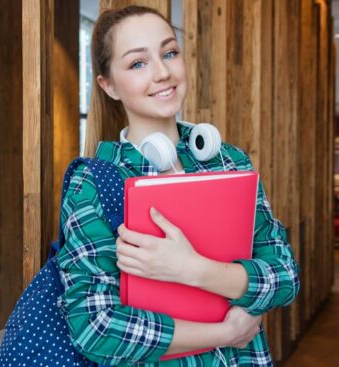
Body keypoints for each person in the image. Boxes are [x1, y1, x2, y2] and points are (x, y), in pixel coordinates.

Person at [56, 5, 301, 366]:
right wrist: (225, 333)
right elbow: (95, 327)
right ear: (108, 86)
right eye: (138, 63)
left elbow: (285, 276)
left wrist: (193, 269)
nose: (163, 72)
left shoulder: (229, 161)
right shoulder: (93, 184)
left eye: (169, 52)